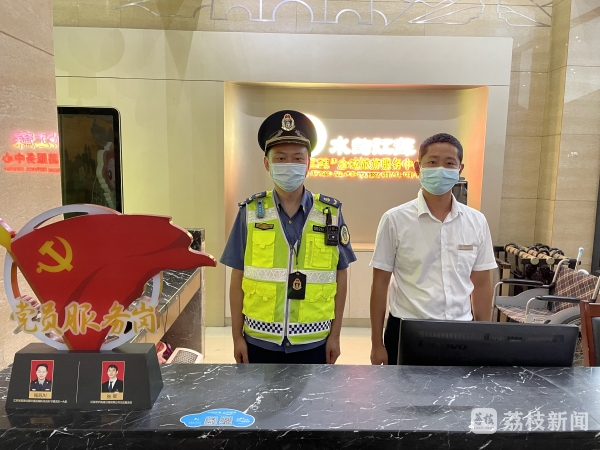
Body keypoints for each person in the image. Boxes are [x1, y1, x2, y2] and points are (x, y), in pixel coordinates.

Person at [220, 110, 356, 364]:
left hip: (314, 339)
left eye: (297, 158)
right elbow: (237, 276)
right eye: (280, 158)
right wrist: (237, 337)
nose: (288, 165)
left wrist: (335, 335)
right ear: (267, 164)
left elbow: (341, 275)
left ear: (308, 164)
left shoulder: (330, 213)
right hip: (259, 339)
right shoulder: (250, 212)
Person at [369, 133, 497, 365]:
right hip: (407, 330)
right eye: (432, 162)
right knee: (404, 390)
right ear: (418, 167)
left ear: (460, 169)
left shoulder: (476, 221)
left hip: (461, 330)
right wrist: (377, 343)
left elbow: (481, 283)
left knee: (457, 390)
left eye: (449, 163)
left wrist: (483, 339)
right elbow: (380, 283)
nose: (441, 169)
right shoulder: (395, 220)